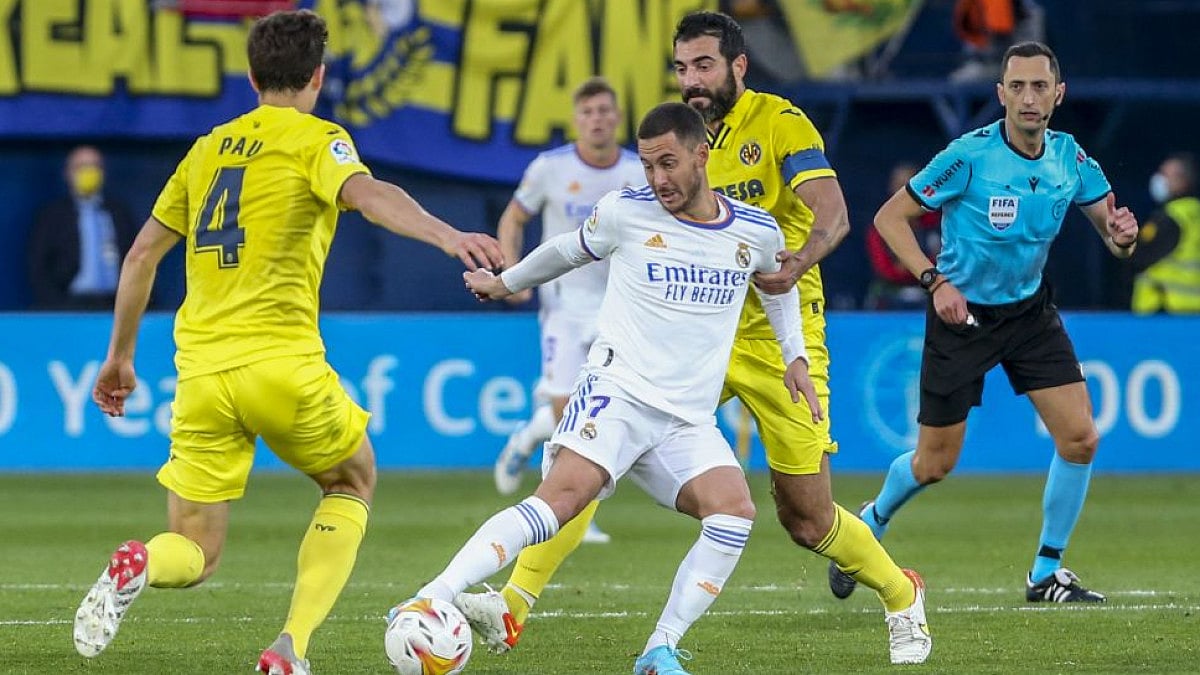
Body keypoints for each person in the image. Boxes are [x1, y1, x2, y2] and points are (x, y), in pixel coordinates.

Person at [455, 10, 932, 667]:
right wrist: (516, 277)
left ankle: (900, 593)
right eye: (681, 68)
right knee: (585, 470)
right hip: (690, 337)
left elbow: (834, 211)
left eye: (704, 65)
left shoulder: (781, 123)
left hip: (777, 337)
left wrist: (798, 261)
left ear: (739, 65)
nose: (691, 80)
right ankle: (513, 605)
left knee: (806, 516)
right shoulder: (679, 144)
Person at [71, 10, 502, 675]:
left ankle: (141, 561)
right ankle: (290, 647)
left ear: (250, 75)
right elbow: (367, 192)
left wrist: (119, 356)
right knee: (351, 478)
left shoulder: (207, 147)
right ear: (319, 76)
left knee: (194, 550)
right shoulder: (318, 139)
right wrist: (450, 237)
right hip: (281, 363)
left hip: (203, 373)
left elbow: (139, 257)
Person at [397, 101, 823, 675]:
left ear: (702, 155)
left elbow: (778, 286)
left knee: (734, 514)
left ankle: (659, 648)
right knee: (559, 503)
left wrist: (794, 355)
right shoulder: (627, 212)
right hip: (618, 394)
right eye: (648, 165)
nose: (657, 179)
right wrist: (505, 282)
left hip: (686, 421)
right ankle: (433, 595)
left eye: (668, 163)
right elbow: (564, 250)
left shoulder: (754, 229)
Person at [829, 41, 1138, 604]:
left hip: (1028, 312)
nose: (1027, 97)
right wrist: (934, 282)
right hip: (960, 314)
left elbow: (1111, 229)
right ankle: (868, 524)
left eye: (1039, 86)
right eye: (1016, 87)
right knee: (934, 463)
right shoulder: (967, 157)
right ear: (1000, 95)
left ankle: (1045, 573)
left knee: (1080, 437)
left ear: (1058, 94)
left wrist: (1122, 237)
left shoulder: (1070, 159)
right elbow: (888, 218)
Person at [491, 77, 645, 555]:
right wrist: (510, 273)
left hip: (618, 306)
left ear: (617, 116)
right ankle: (541, 447)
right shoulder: (550, 169)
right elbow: (515, 217)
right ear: (577, 120)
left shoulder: (639, 172)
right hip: (562, 303)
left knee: (595, 409)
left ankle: (570, 506)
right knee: (567, 410)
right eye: (588, 112)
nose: (597, 119)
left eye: (605, 110)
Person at [27, 145, 138, 310]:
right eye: (81, 167)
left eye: (95, 166)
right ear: (67, 173)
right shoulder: (52, 216)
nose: (89, 172)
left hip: (115, 306)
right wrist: (55, 307)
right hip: (69, 307)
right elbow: (38, 268)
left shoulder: (119, 213)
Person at [864, 163, 943, 310]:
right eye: (898, 185)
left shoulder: (936, 224)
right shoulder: (880, 227)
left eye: (908, 187)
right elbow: (885, 270)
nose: (902, 193)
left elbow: (945, 262)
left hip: (932, 292)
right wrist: (922, 266)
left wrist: (909, 265)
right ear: (890, 188)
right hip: (889, 296)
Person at [1130, 152, 1200, 313]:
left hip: (1164, 312)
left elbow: (1139, 255)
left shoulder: (1171, 218)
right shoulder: (1194, 213)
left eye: (1165, 174)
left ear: (1183, 181)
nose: (1159, 179)